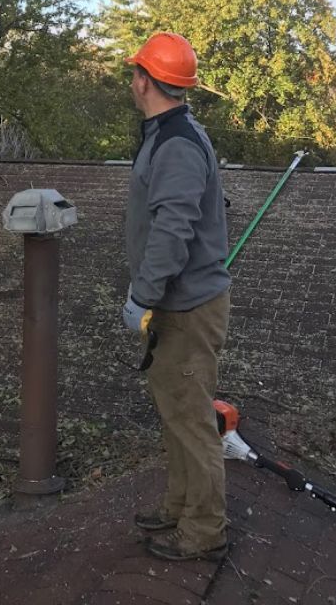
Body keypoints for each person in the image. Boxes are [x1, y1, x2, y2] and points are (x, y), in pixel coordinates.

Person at [121, 31, 231, 562]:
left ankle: (204, 531)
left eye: (134, 71)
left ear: (145, 80)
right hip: (176, 302)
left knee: (191, 419)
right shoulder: (167, 133)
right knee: (175, 410)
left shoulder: (178, 142)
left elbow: (173, 229)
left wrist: (142, 295)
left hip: (187, 306)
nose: (132, 79)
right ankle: (180, 506)